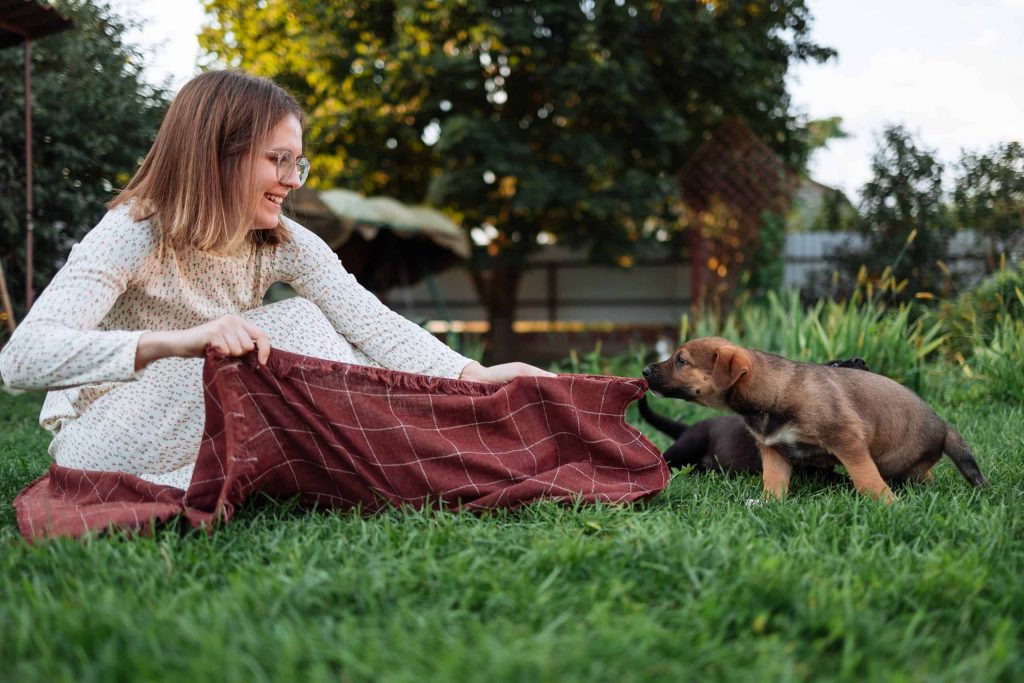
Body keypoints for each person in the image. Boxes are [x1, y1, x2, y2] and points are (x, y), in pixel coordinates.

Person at [0, 69, 553, 492]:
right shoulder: (134, 230)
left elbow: (369, 320)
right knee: (295, 322)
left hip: (207, 423)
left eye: (298, 164)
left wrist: (473, 373)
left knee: (314, 330)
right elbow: (19, 360)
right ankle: (423, 446)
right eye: (278, 160)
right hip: (104, 439)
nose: (292, 180)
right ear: (217, 155)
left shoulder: (280, 240)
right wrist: (182, 343)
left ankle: (437, 436)